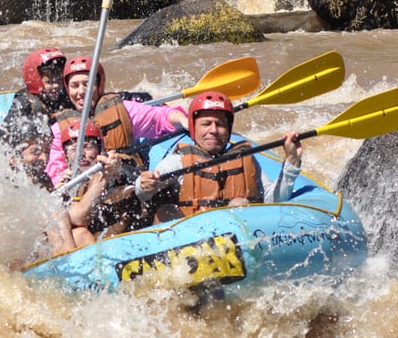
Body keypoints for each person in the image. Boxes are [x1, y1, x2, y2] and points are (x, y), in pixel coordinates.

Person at [136, 91, 303, 220]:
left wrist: (291, 163)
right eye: (206, 124)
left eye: (220, 124)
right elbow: (143, 193)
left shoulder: (245, 159)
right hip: (191, 243)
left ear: (229, 129)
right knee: (166, 211)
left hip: (236, 244)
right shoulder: (177, 162)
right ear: (194, 128)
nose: (214, 130)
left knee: (240, 204)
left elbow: (273, 200)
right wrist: (144, 185)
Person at [46, 56, 188, 187]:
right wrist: (61, 183)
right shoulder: (61, 126)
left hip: (123, 177)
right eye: (75, 86)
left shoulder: (122, 109)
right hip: (85, 184)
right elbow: (56, 167)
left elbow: (161, 117)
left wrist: (184, 120)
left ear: (99, 85)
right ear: (67, 89)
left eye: (87, 84)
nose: (82, 91)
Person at [57, 119, 145, 247]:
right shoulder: (66, 185)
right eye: (74, 149)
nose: (81, 154)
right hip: (94, 244)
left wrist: (108, 174)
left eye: (87, 147)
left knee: (79, 234)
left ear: (99, 151)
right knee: (77, 234)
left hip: (124, 239)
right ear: (66, 156)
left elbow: (136, 184)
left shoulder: (118, 167)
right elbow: (78, 218)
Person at [0, 46, 71, 148]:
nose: (56, 86)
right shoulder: (25, 101)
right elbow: (4, 133)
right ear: (36, 81)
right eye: (49, 82)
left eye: (58, 80)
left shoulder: (65, 96)